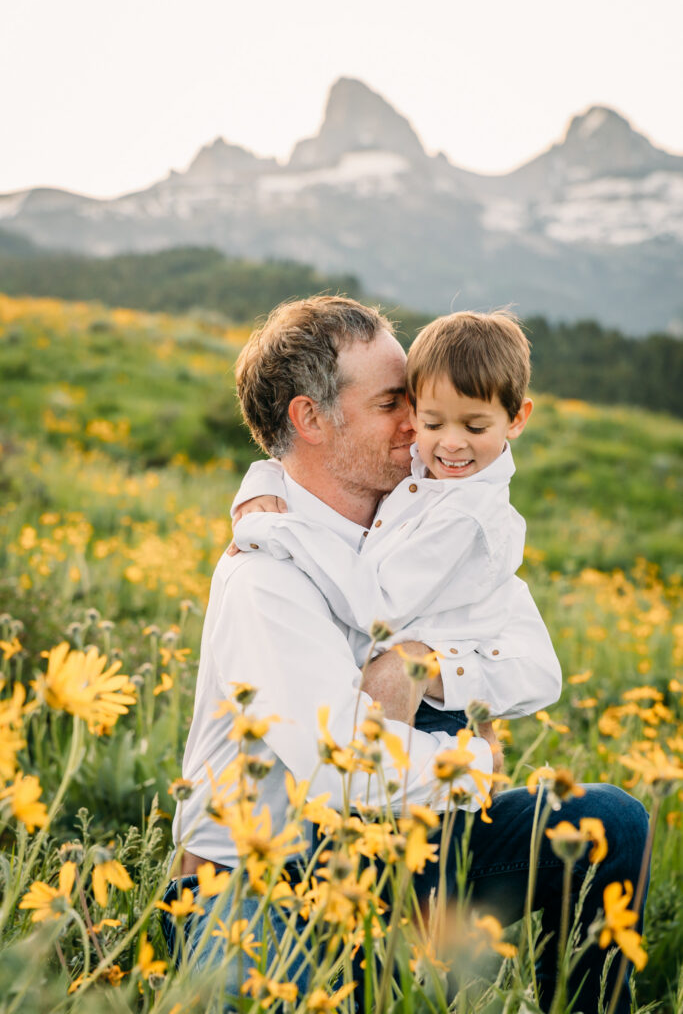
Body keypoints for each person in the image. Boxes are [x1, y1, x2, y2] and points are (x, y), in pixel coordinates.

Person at [163, 296, 648, 1012]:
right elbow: (339, 775)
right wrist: (475, 763)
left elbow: (530, 659)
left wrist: (427, 664)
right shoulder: (266, 569)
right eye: (397, 401)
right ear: (310, 419)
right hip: (256, 878)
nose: (420, 425)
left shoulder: (426, 520)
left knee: (608, 819)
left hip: (394, 850)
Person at [230, 310, 554, 732]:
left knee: (606, 803)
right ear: (309, 419)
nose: (440, 439)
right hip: (332, 770)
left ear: (516, 420)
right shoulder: (265, 577)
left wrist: (279, 529)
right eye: (426, 417)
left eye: (474, 426)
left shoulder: (466, 513)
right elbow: (333, 762)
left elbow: (538, 671)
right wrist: (260, 482)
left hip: (437, 717)